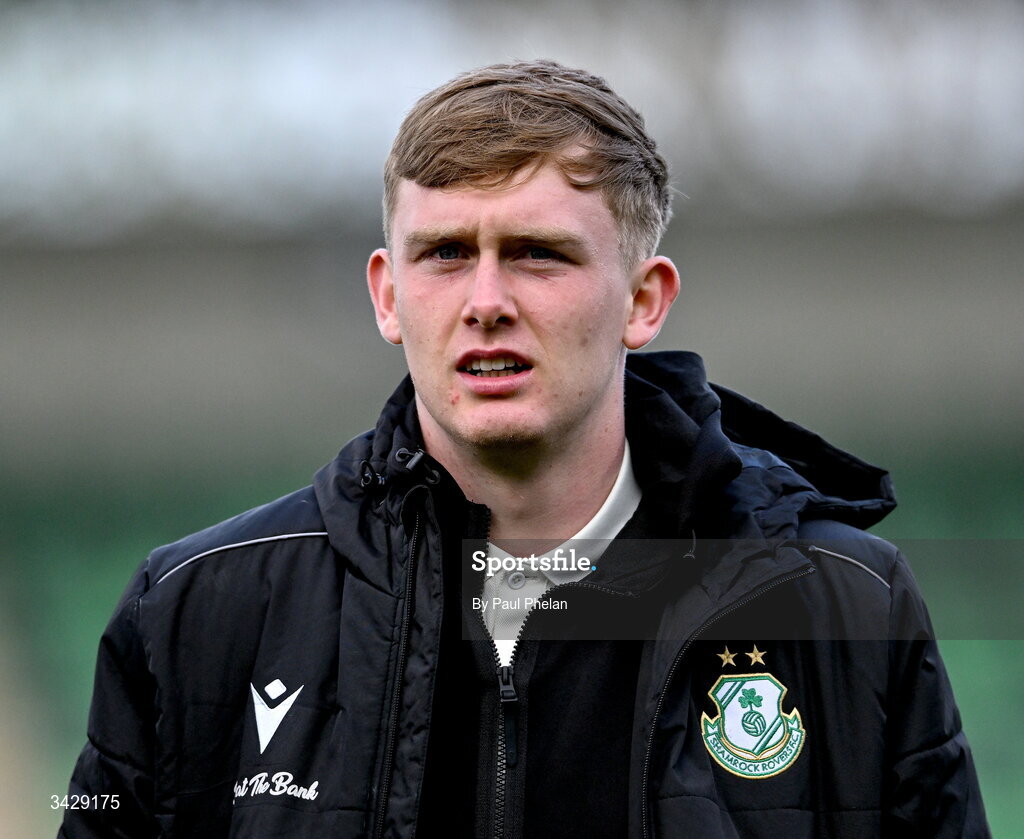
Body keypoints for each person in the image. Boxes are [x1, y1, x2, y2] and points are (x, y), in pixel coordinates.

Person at [60, 60, 989, 838]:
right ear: (387, 295)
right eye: (446, 253)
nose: (486, 298)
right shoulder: (194, 611)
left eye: (539, 253)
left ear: (643, 299)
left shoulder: (846, 604)